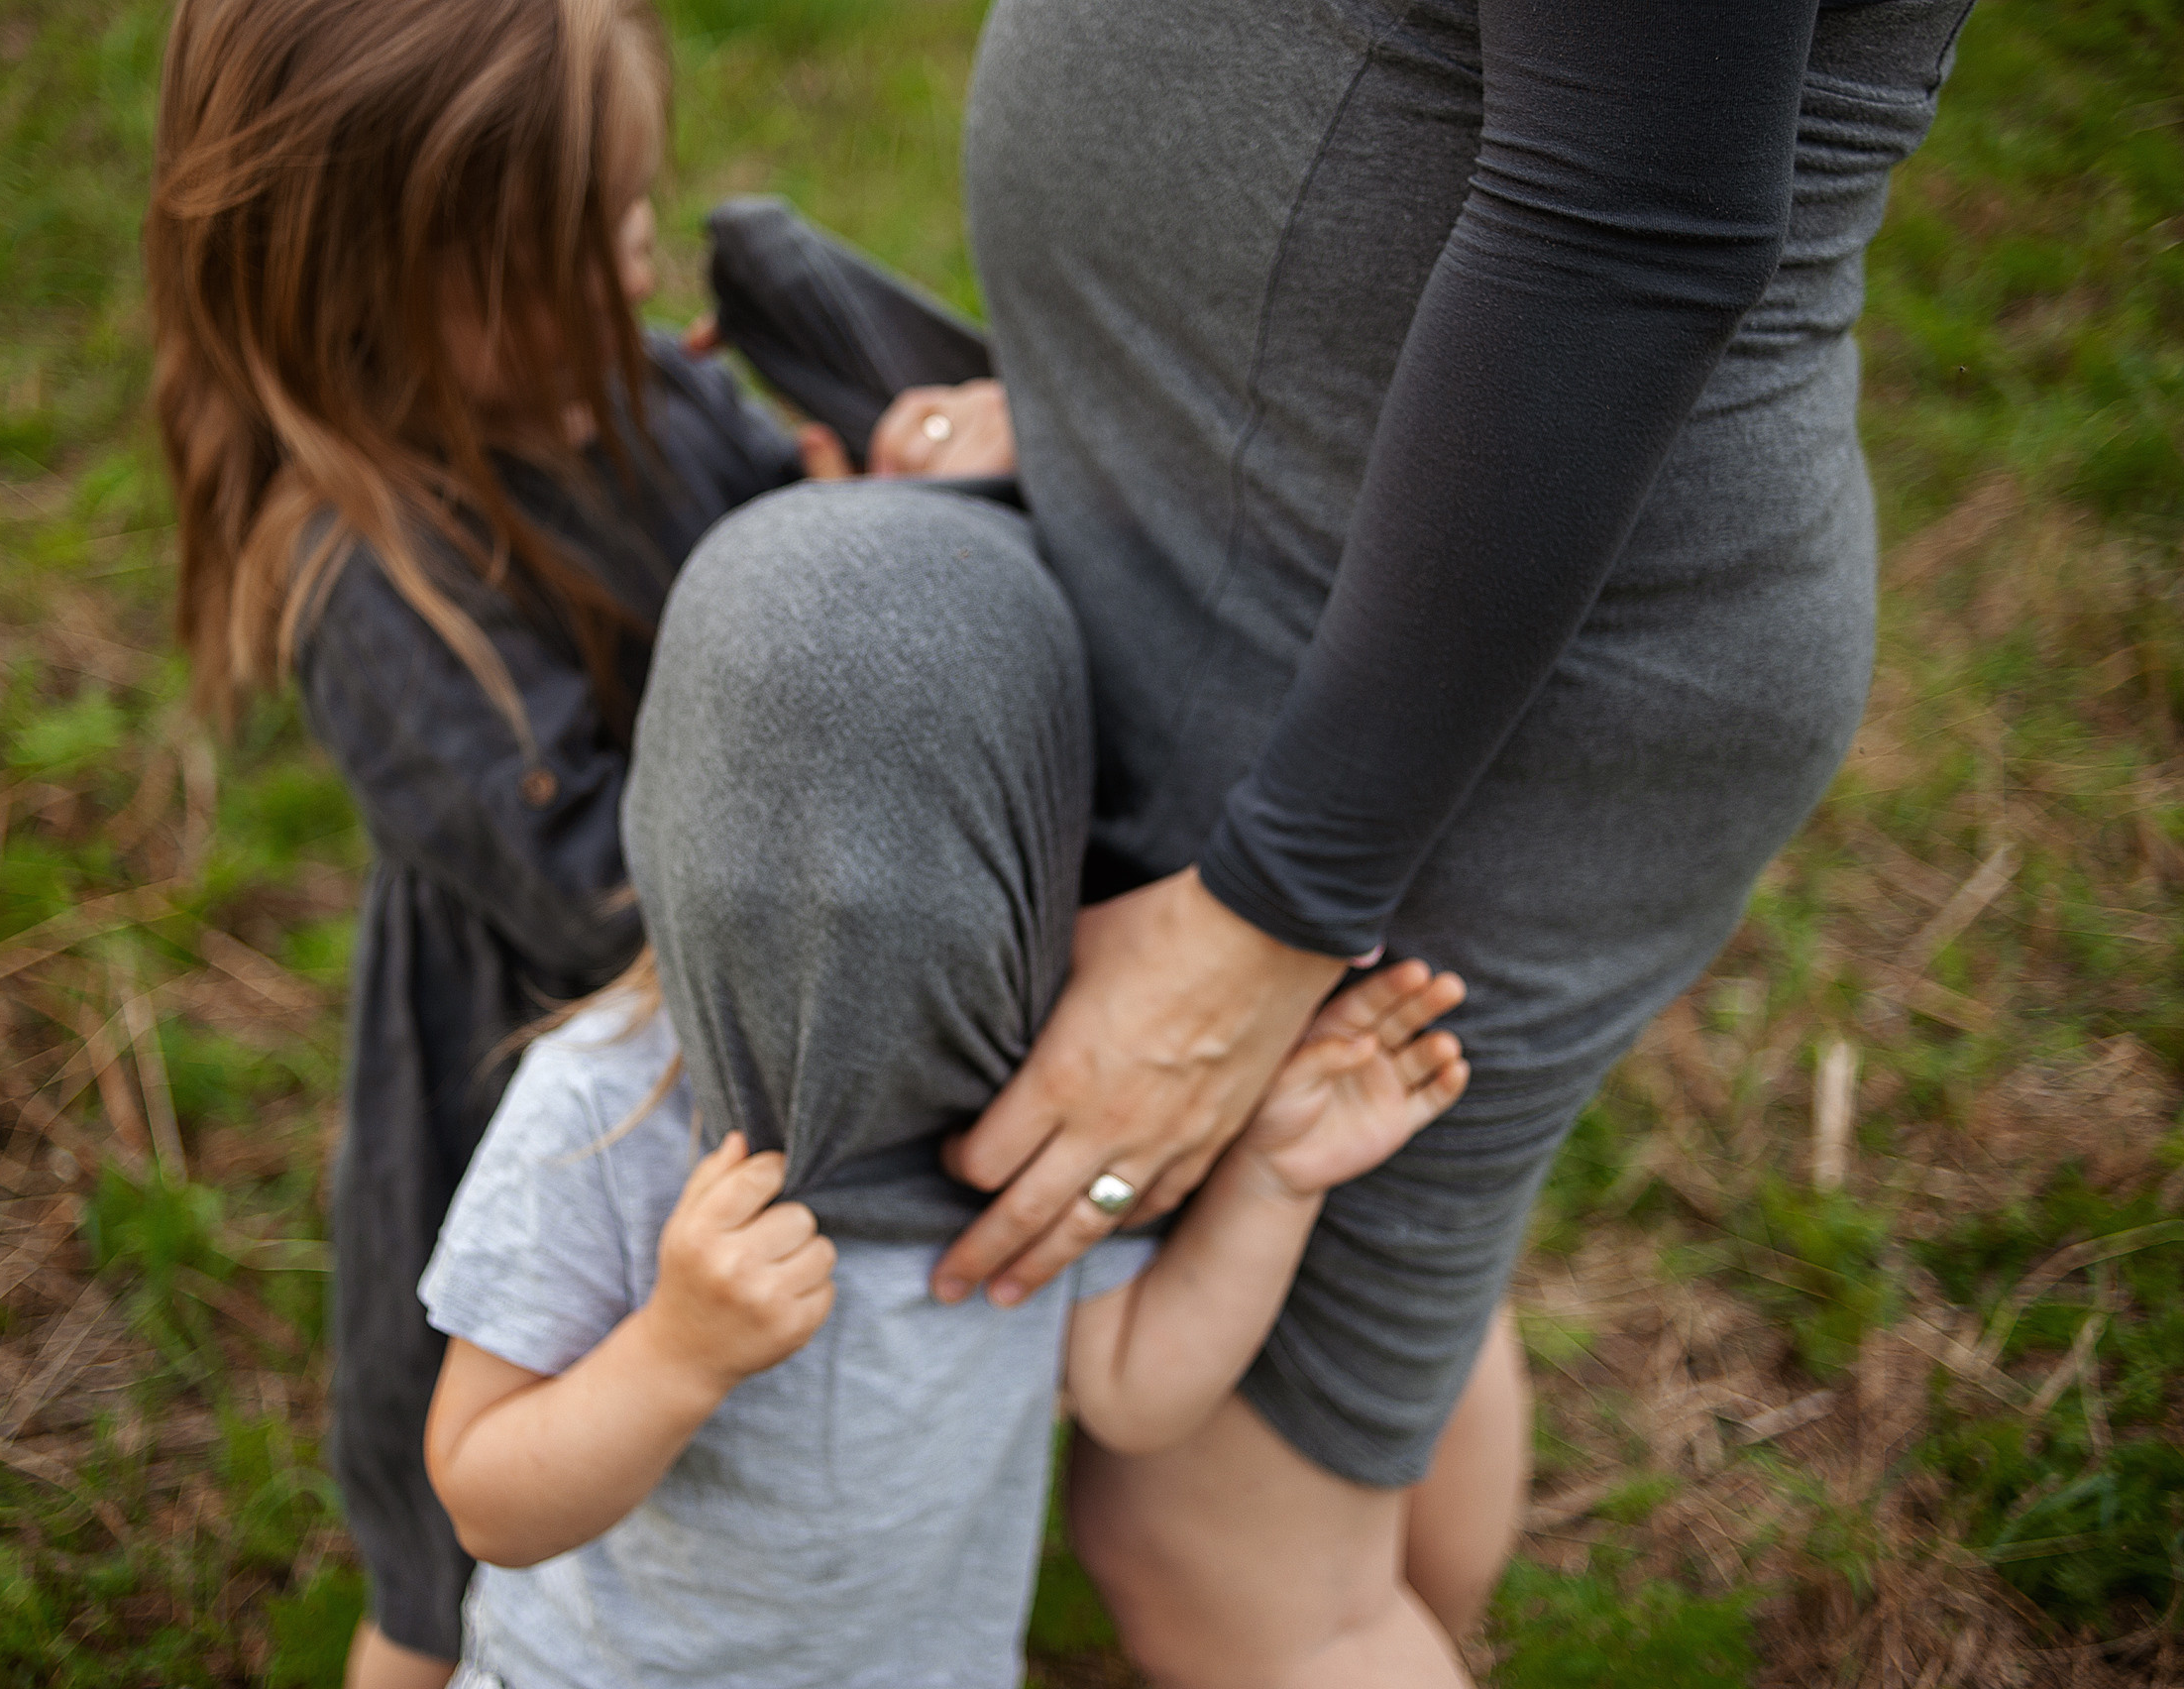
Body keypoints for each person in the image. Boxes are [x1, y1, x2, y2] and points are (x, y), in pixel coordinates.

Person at [661, 0, 1977, 1681]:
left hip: (1462, 688)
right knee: (1371, 1363)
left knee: (1232, 1560)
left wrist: (1274, 909)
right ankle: (1414, 1620)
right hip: (1316, 592)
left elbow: (1628, 230)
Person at [413, 490, 1474, 1683]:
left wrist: (1272, 1180)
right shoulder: (600, 1114)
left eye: (920, 917)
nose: (844, 954)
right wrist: (674, 1354)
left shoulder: (1043, 1105)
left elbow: (1129, 1390)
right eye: (772, 886)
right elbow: (488, 1500)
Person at [140, 2, 878, 1679]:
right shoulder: (366, 580)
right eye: (572, 249)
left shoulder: (639, 394)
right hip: (527, 1072)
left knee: (684, 1471)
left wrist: (862, 508)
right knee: (452, 1517)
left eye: (628, 218)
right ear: (374, 292)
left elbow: (782, 513)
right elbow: (590, 889)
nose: (631, 274)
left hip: (716, 998)